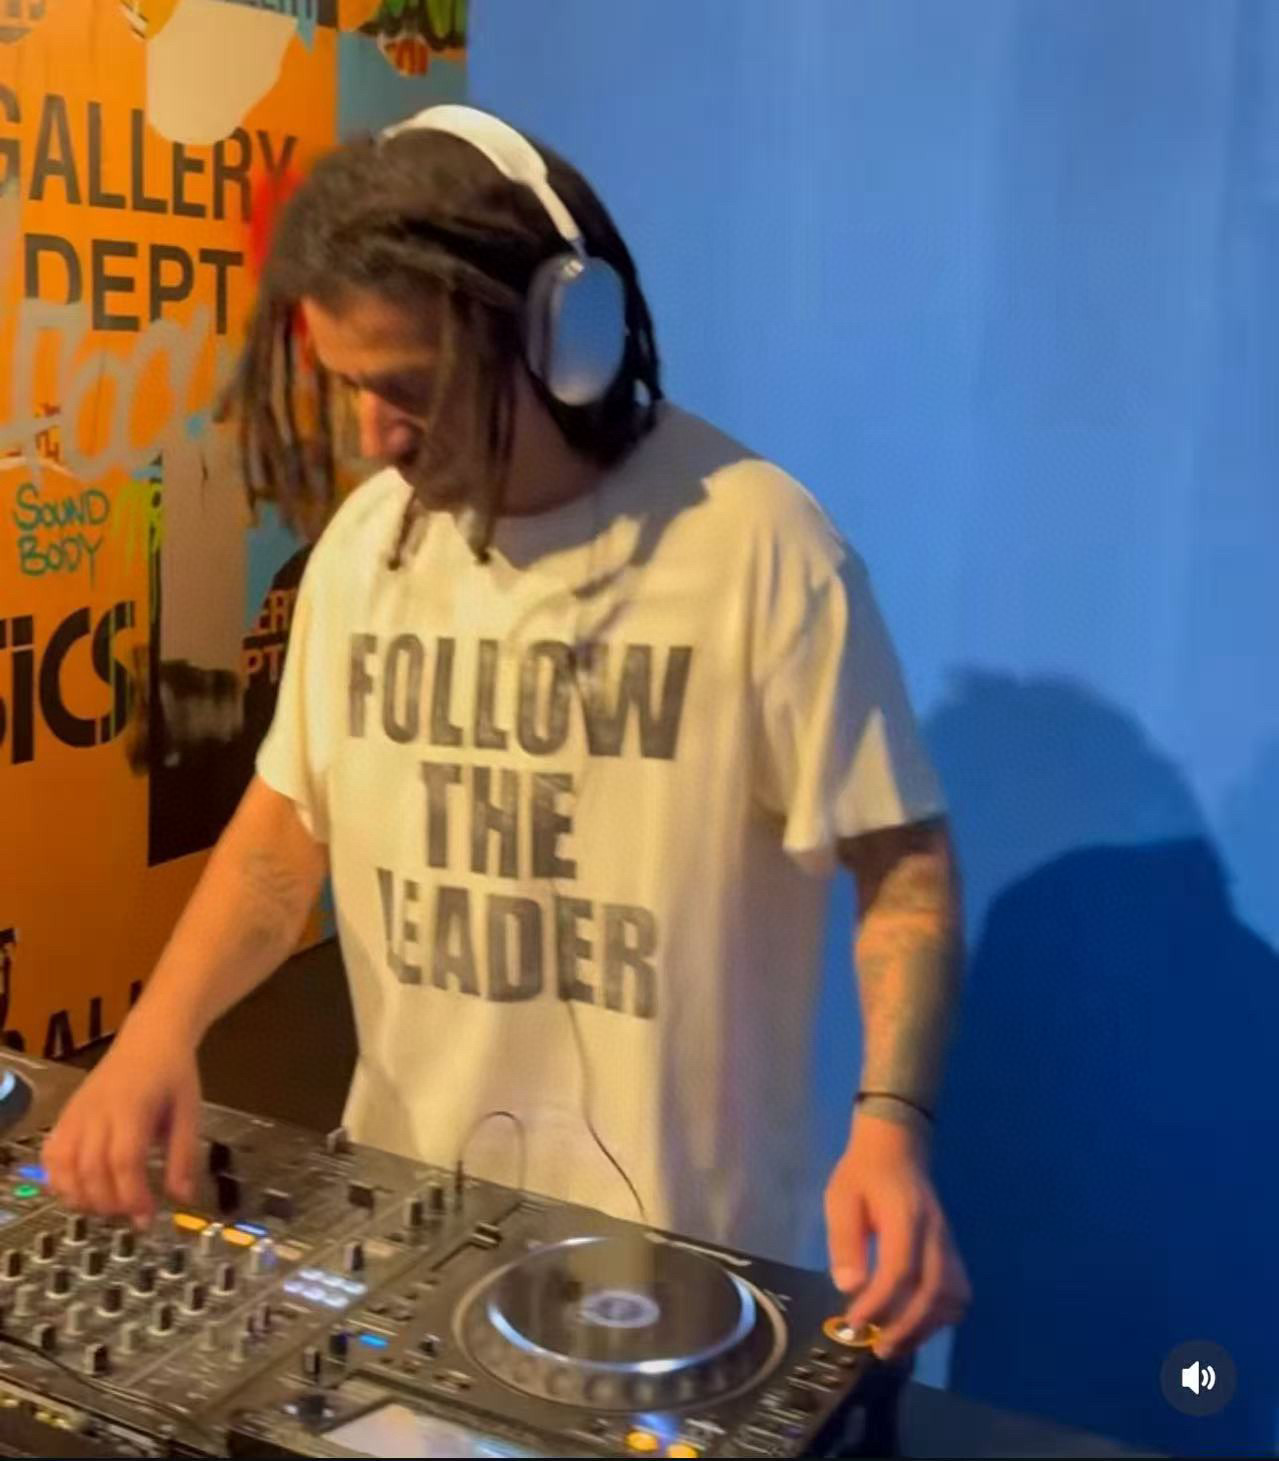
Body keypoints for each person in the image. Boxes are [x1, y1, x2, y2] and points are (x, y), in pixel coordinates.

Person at [43, 105, 970, 1359]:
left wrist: (889, 1128)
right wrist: (159, 1031)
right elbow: (290, 823)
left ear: (563, 342)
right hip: (399, 1253)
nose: (373, 436)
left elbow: (900, 862)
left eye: (411, 390)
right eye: (351, 387)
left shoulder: (761, 550)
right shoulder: (365, 548)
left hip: (681, 1281)